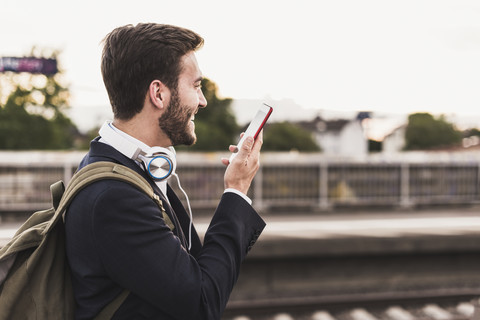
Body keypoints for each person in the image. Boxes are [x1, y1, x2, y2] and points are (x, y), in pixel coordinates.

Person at [65, 23, 266, 320]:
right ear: (158, 93)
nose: (202, 100)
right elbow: (201, 303)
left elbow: (189, 273)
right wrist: (236, 191)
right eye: (196, 86)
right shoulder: (115, 197)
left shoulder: (125, 166)